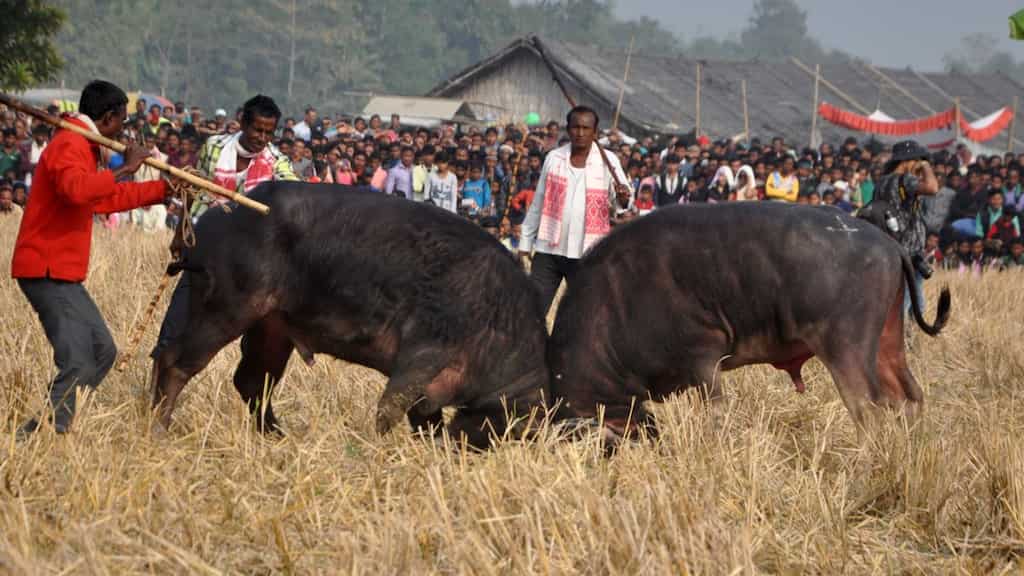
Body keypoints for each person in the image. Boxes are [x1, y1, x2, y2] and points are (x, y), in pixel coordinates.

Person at [11, 80, 168, 437]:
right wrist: (126, 168)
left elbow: (102, 198)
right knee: (79, 361)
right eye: (123, 123)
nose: (125, 132)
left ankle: (52, 425)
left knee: (102, 351)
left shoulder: (83, 144)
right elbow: (76, 191)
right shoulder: (70, 142)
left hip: (62, 272)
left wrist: (163, 189)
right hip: (46, 267)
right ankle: (41, 436)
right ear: (109, 117)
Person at [151, 95, 297, 372]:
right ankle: (158, 378)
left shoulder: (277, 162)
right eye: (257, 129)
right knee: (178, 321)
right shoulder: (214, 147)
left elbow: (296, 192)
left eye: (268, 132)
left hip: (247, 258)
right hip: (205, 244)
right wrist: (181, 233)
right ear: (242, 123)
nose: (261, 137)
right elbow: (194, 187)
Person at [520, 105, 630, 316]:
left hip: (588, 252)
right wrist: (526, 241)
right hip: (549, 249)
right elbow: (539, 201)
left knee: (585, 316)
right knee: (532, 311)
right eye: (575, 127)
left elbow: (623, 204)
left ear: (595, 132)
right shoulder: (554, 158)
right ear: (568, 130)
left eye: (586, 128)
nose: (580, 133)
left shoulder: (608, 162)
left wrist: (623, 197)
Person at [860, 140, 939, 329]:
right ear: (909, 160)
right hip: (907, 253)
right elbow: (932, 188)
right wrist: (926, 166)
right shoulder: (905, 179)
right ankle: (903, 345)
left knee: (907, 303)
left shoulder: (882, 182)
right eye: (917, 160)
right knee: (910, 305)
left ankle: (905, 342)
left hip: (888, 247)